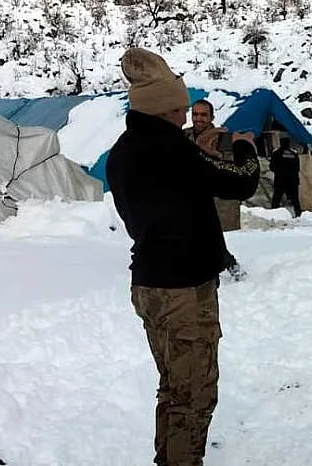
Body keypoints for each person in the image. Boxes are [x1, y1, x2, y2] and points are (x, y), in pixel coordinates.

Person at [105, 47, 260, 466]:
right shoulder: (171, 149)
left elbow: (175, 189)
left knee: (173, 386)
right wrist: (243, 147)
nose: (185, 117)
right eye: (180, 109)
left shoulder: (124, 149)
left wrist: (200, 154)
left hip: (150, 285)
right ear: (165, 109)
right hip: (183, 291)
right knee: (194, 396)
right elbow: (240, 183)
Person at [184, 99, 247, 281]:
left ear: (212, 116)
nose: (198, 119)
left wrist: (214, 157)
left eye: (203, 115)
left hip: (212, 195)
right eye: (195, 114)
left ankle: (228, 264)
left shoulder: (223, 138)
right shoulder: (182, 136)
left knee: (208, 232)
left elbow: (232, 167)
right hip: (186, 193)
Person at [268, 137, 302, 217]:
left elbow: (272, 167)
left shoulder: (276, 153)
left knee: (277, 197)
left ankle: (274, 213)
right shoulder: (294, 154)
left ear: (280, 143)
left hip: (280, 180)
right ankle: (298, 214)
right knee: (295, 198)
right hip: (293, 180)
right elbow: (298, 168)